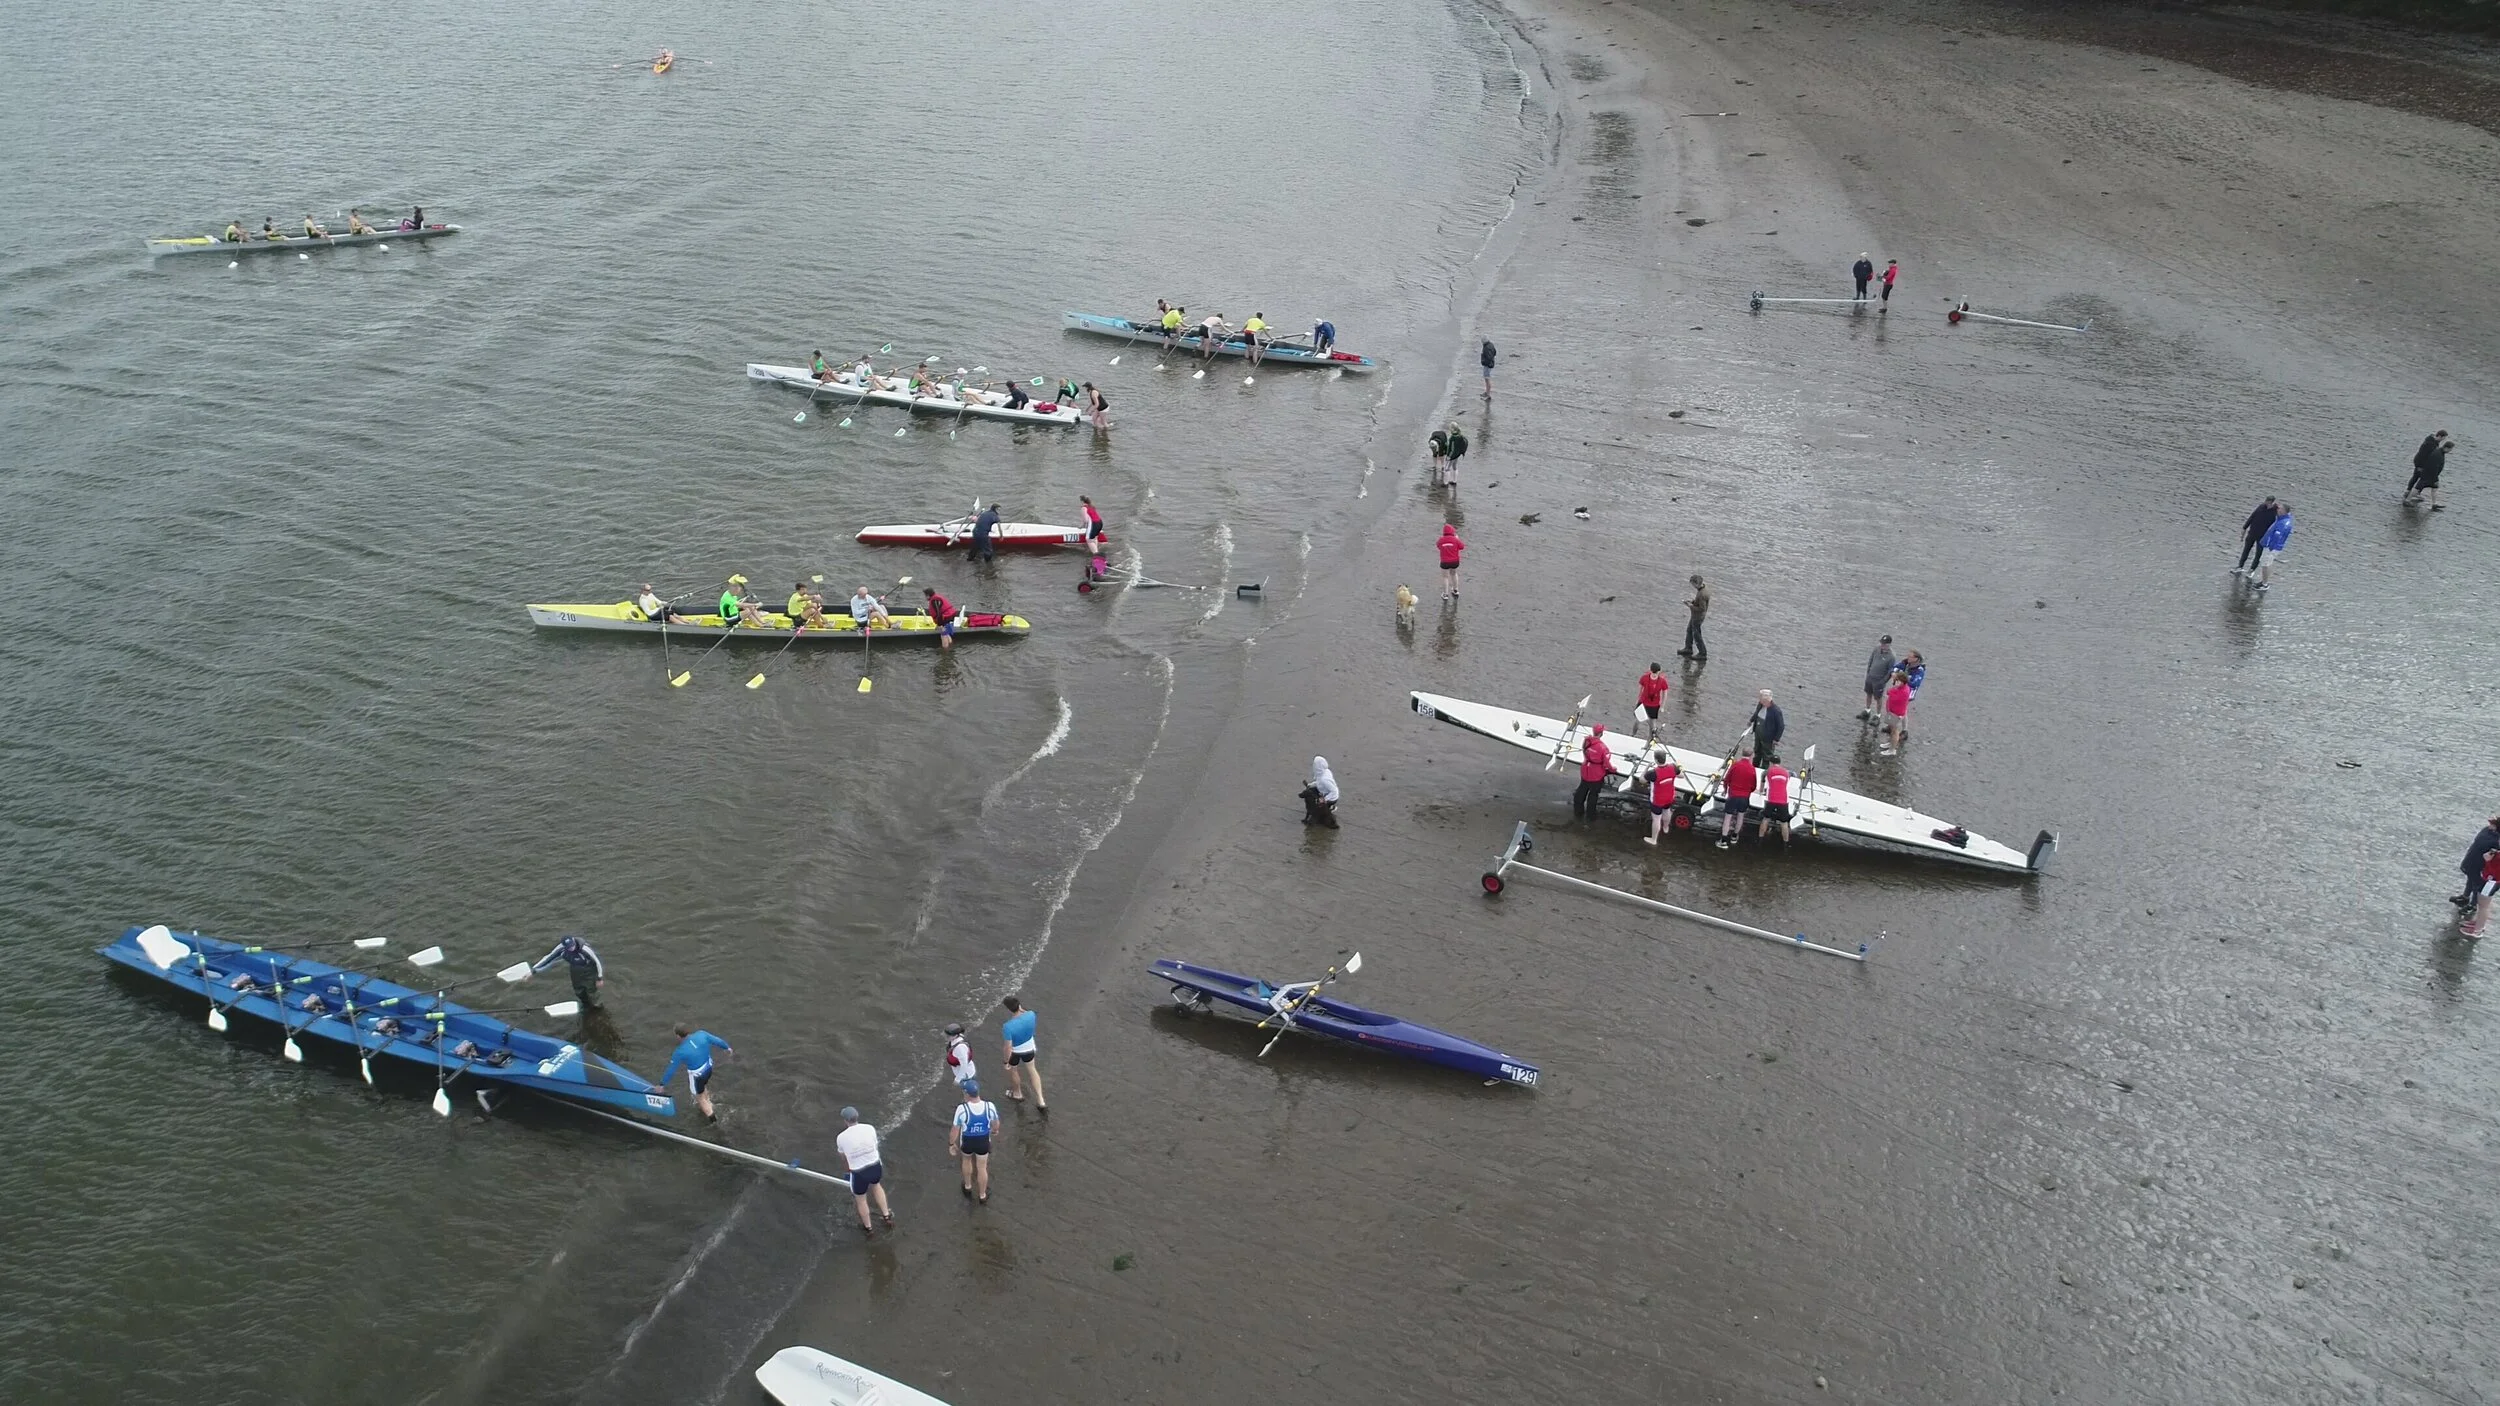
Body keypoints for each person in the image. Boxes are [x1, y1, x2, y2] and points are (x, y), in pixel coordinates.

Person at [657, 1024, 733, 1121]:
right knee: (702, 1089)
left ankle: (714, 1121)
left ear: (678, 1036)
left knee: (699, 1099)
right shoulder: (702, 1034)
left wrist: (662, 1084)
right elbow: (717, 1040)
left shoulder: (679, 1052)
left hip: (698, 1076)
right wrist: (727, 1047)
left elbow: (671, 1069)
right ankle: (708, 1101)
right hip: (708, 1068)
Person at [835, 1107, 892, 1234]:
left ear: (845, 1121)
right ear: (857, 1116)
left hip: (859, 1173)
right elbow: (875, 1146)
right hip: (875, 1166)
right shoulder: (869, 1128)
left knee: (861, 1199)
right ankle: (886, 1215)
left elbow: (844, 1158)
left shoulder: (841, 1137)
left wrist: (848, 1173)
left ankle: (869, 1228)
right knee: (877, 1186)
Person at [951, 1079, 999, 1203]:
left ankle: (967, 1186)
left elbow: (955, 1129)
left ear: (966, 1094)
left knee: (966, 1161)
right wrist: (995, 1130)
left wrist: (951, 1144)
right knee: (982, 1167)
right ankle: (982, 1195)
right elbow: (995, 1123)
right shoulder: (989, 1106)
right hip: (983, 1140)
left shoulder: (962, 1109)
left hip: (967, 1141)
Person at [527, 934, 605, 1008]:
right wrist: (533, 971)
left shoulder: (584, 949)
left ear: (574, 941)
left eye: (572, 945)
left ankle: (598, 1007)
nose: (571, 948)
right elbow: (548, 959)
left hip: (589, 971)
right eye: (569, 947)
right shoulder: (561, 949)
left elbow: (597, 962)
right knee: (579, 992)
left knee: (592, 992)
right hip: (575, 971)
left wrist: (599, 978)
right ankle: (586, 1006)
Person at [1000, 995, 1046, 1109]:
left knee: (1014, 1071)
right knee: (1032, 1070)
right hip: (1029, 1048)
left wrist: (1006, 1061)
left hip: (1016, 1051)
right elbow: (1026, 1013)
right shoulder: (1031, 1014)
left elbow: (1008, 1047)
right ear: (1019, 1005)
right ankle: (1041, 1100)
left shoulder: (1008, 1027)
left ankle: (1017, 1093)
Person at [2457, 817, 2500, 909]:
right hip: (2472, 858)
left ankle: (2473, 904)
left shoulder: (2497, 841)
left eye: (2492, 824)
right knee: (2470, 878)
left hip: (2480, 864)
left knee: (2477, 884)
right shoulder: (2487, 830)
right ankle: (2465, 897)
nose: (2490, 825)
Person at [1572, 725, 1613, 820]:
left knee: (1582, 789)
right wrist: (1612, 770)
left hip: (1586, 770)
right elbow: (1606, 763)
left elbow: (1584, 751)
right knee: (1593, 795)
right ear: (1601, 733)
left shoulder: (1587, 741)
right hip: (1596, 774)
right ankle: (1590, 816)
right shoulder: (1603, 747)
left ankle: (1578, 812)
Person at [1717, 754, 1758, 849]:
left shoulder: (1735, 765)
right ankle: (1734, 837)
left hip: (1733, 795)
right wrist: (1748, 791)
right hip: (1744, 797)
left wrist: (1725, 789)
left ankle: (1723, 841)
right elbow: (1753, 785)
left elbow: (1727, 779)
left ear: (1742, 754)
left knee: (1728, 817)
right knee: (1740, 816)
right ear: (1751, 756)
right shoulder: (1752, 769)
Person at [1642, 752, 1682, 846]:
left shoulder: (1653, 773)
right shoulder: (1673, 767)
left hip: (1657, 799)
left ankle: (1653, 839)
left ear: (1656, 760)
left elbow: (1642, 780)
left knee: (1656, 819)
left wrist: (1646, 768)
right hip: (1669, 797)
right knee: (1667, 811)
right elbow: (1681, 775)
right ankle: (1666, 827)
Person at [2406, 430, 2452, 509]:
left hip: (2426, 467)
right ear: (2439, 436)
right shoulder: (2430, 444)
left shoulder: (2434, 444)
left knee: (2420, 482)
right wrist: (2420, 466)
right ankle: (2408, 494)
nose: (2442, 440)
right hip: (2422, 466)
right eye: (2443, 438)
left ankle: (2411, 494)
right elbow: (2422, 455)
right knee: (2417, 480)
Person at [2252, 503, 2293, 591]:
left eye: (2279, 509)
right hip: (2273, 547)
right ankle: (2264, 581)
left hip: (2272, 547)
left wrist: (2270, 547)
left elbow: (2277, 536)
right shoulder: (2283, 519)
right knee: (2267, 563)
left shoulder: (2283, 523)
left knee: (2265, 564)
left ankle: (2265, 584)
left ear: (2283, 511)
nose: (2277, 510)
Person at [2462, 844, 2500, 939]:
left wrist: (2487, 861)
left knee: (2484, 906)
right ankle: (2478, 923)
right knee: (2482, 904)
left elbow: (2496, 872)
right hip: (2489, 879)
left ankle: (2478, 930)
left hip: (2491, 881)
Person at [2235, 497, 2281, 574]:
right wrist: (2245, 527)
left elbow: (2276, 526)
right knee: (2246, 550)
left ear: (2271, 502)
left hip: (2263, 536)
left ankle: (2252, 570)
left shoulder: (2275, 512)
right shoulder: (2261, 507)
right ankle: (2240, 566)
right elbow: (2252, 517)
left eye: (2268, 502)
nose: (2265, 503)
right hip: (2252, 533)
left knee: (2258, 554)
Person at [1859, 635, 1895, 720]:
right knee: (1868, 693)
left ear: (1889, 644)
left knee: (1878, 698)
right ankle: (1867, 710)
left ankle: (1878, 715)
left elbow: (1890, 671)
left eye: (1884, 644)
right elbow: (1870, 660)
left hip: (1879, 680)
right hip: (1870, 677)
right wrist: (1868, 672)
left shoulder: (1891, 657)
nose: (1882, 645)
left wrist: (1883, 681)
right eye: (1881, 643)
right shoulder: (1876, 649)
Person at [1745, 689, 1785, 767]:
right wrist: (1751, 720)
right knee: (1757, 752)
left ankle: (1764, 770)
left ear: (1767, 701)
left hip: (1768, 737)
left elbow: (1781, 726)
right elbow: (1756, 713)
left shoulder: (1776, 711)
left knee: (1767, 756)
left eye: (1762, 700)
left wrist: (1776, 739)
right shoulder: (1760, 705)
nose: (1760, 701)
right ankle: (1754, 767)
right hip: (1758, 733)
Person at [1758, 761, 1794, 843]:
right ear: (1780, 763)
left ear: (1770, 763)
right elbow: (1792, 776)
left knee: (1765, 819)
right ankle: (1786, 843)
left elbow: (1762, 787)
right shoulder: (1787, 772)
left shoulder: (1766, 772)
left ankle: (1760, 839)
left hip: (1771, 799)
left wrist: (1761, 791)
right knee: (1784, 823)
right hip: (1783, 800)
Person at [1301, 756, 1341, 827]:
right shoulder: (1324, 773)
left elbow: (1334, 791)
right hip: (1324, 792)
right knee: (1312, 791)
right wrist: (1310, 785)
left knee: (1317, 808)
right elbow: (1318, 783)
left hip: (1331, 798)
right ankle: (1328, 808)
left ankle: (1326, 811)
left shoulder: (1324, 779)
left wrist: (1324, 799)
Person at [1881, 668, 1911, 755]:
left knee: (1895, 731)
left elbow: (1890, 694)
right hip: (1891, 711)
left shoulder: (1903, 691)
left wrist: (1893, 689)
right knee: (1891, 728)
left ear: (1903, 682)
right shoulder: (1899, 688)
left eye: (1899, 681)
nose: (1896, 683)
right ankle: (1891, 743)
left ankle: (1892, 749)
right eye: (1896, 680)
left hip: (1896, 713)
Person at [1679, 574, 1710, 661]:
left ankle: (1702, 653)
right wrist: (1693, 601)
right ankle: (1688, 648)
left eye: (1692, 584)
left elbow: (1701, 608)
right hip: (1695, 616)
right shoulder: (1703, 589)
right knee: (1689, 630)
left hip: (1698, 617)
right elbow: (1700, 603)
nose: (1692, 586)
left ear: (1696, 584)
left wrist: (1690, 606)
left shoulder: (1702, 594)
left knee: (1697, 635)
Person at [943, 1021, 977, 1090]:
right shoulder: (959, 1038)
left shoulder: (960, 1048)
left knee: (968, 1094)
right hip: (966, 1072)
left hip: (966, 1076)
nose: (946, 1037)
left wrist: (957, 1079)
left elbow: (964, 1064)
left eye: (948, 1036)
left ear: (956, 1035)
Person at [1635, 664, 1670, 728]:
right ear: (1650, 670)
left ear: (1659, 672)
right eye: (1653, 672)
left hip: (1654, 705)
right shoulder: (1644, 678)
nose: (1654, 674)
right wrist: (1638, 699)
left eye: (1656, 673)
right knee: (1637, 721)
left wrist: (1662, 706)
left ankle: (1651, 737)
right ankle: (1633, 735)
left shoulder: (1662, 681)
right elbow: (1640, 689)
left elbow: (1665, 694)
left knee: (1652, 724)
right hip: (1643, 702)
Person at [1436, 523, 1465, 599]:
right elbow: (1462, 547)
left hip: (1445, 562)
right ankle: (1455, 590)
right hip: (1455, 561)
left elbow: (1438, 546)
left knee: (1445, 577)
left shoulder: (1441, 540)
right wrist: (1457, 539)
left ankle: (1445, 594)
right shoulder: (1455, 539)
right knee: (1454, 574)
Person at [1444, 423, 1468, 487]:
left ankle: (1446, 483)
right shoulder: (1460, 436)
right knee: (1455, 467)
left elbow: (1452, 448)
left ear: (1452, 429)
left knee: (1447, 469)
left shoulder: (1453, 438)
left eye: (1450, 428)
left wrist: (1449, 456)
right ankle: (1455, 481)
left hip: (1452, 455)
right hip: (1457, 454)